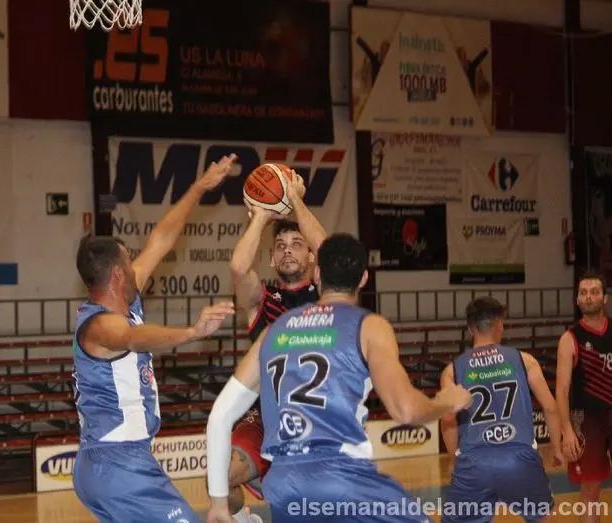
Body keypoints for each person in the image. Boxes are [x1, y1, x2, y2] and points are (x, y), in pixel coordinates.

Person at [204, 233, 472, 523]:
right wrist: (446, 402)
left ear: (318, 274)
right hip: (343, 476)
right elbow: (406, 410)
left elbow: (219, 416)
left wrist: (218, 502)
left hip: (285, 485)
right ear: (364, 278)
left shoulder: (274, 330)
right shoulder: (369, 325)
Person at [71, 155, 238, 523]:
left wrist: (200, 187)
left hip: (110, 463)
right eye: (129, 261)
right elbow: (133, 338)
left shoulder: (125, 301)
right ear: (118, 274)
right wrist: (192, 332)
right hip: (118, 462)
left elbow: (161, 239)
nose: (138, 265)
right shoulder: (99, 326)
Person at [221, 172, 326, 522]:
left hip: (317, 421)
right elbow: (239, 268)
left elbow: (329, 251)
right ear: (271, 259)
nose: (288, 250)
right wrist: (262, 214)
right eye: (280, 246)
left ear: (311, 257)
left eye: (297, 244)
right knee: (219, 476)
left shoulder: (327, 298)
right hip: (266, 416)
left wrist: (294, 198)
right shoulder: (262, 300)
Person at [439, 297, 563, 523]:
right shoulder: (525, 361)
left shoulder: (452, 371)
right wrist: (556, 447)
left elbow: (448, 420)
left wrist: (454, 459)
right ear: (500, 325)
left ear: (470, 329)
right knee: (545, 518)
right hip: (520, 458)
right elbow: (550, 407)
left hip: (474, 461)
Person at [556, 270, 611, 523]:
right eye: (584, 293)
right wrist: (567, 430)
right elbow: (562, 390)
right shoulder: (570, 339)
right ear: (577, 299)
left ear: (605, 298)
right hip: (585, 419)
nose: (589, 297)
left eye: (595, 292)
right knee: (590, 488)